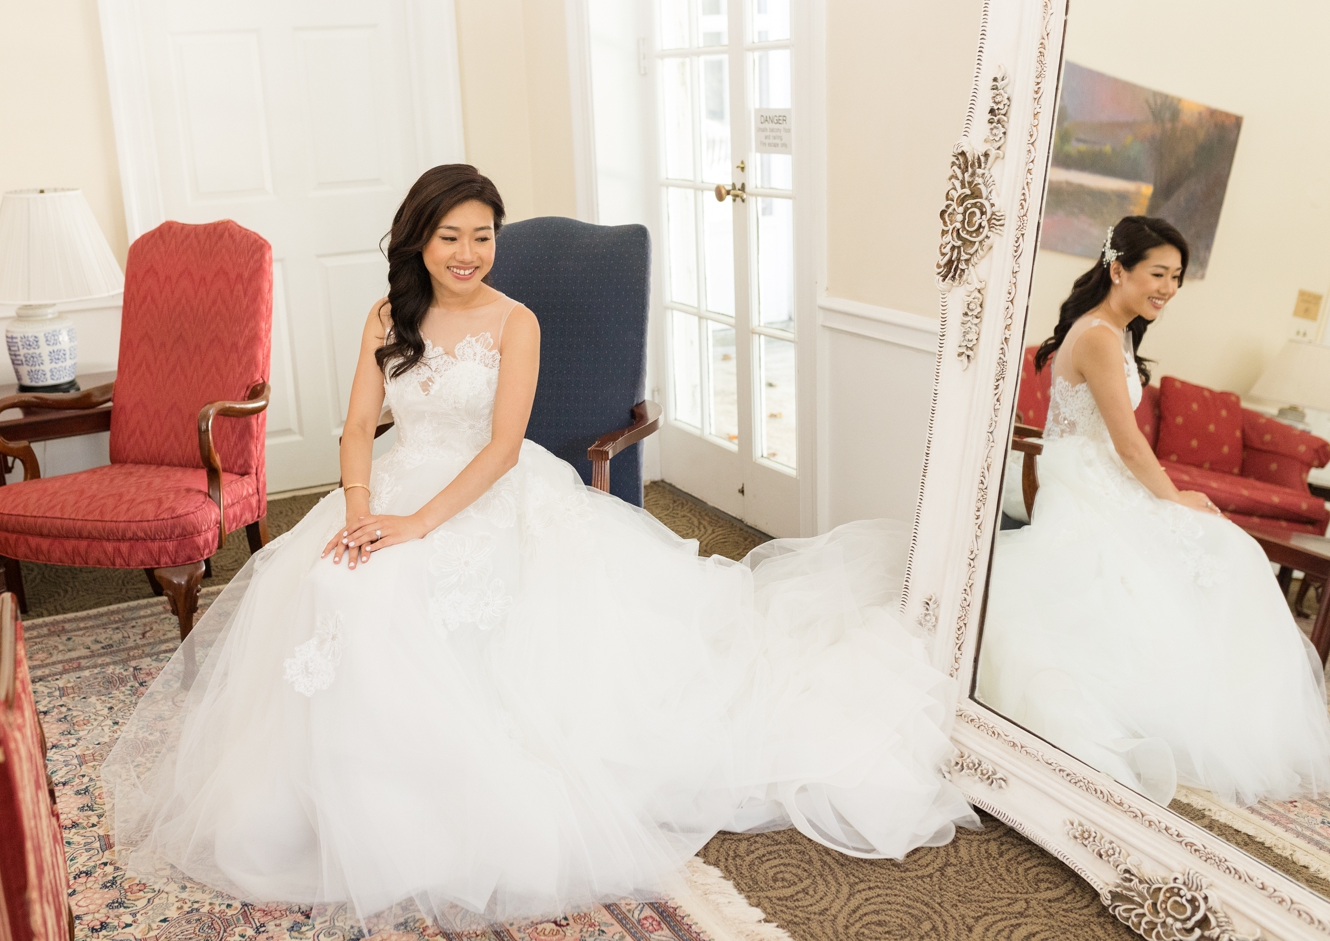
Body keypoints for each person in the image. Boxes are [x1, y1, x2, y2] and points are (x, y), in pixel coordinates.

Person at [101, 164, 977, 930]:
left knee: (396, 595)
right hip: (393, 488)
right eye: (451, 236)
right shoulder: (386, 313)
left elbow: (498, 447)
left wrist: (414, 525)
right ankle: (346, 798)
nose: (468, 253)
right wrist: (360, 510)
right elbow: (360, 425)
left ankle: (431, 801)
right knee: (330, 584)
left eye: (483, 236)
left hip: (487, 494)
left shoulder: (513, 320)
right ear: (418, 240)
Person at [979, 215, 1330, 808]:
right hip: (1084, 481)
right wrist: (1173, 497)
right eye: (1157, 273)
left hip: (1098, 474)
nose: (1167, 288)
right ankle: (1207, 709)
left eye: (1177, 277)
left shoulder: (1117, 330)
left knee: (1220, 551)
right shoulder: (1096, 335)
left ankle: (1218, 701)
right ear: (1119, 269)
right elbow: (1126, 440)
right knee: (1223, 549)